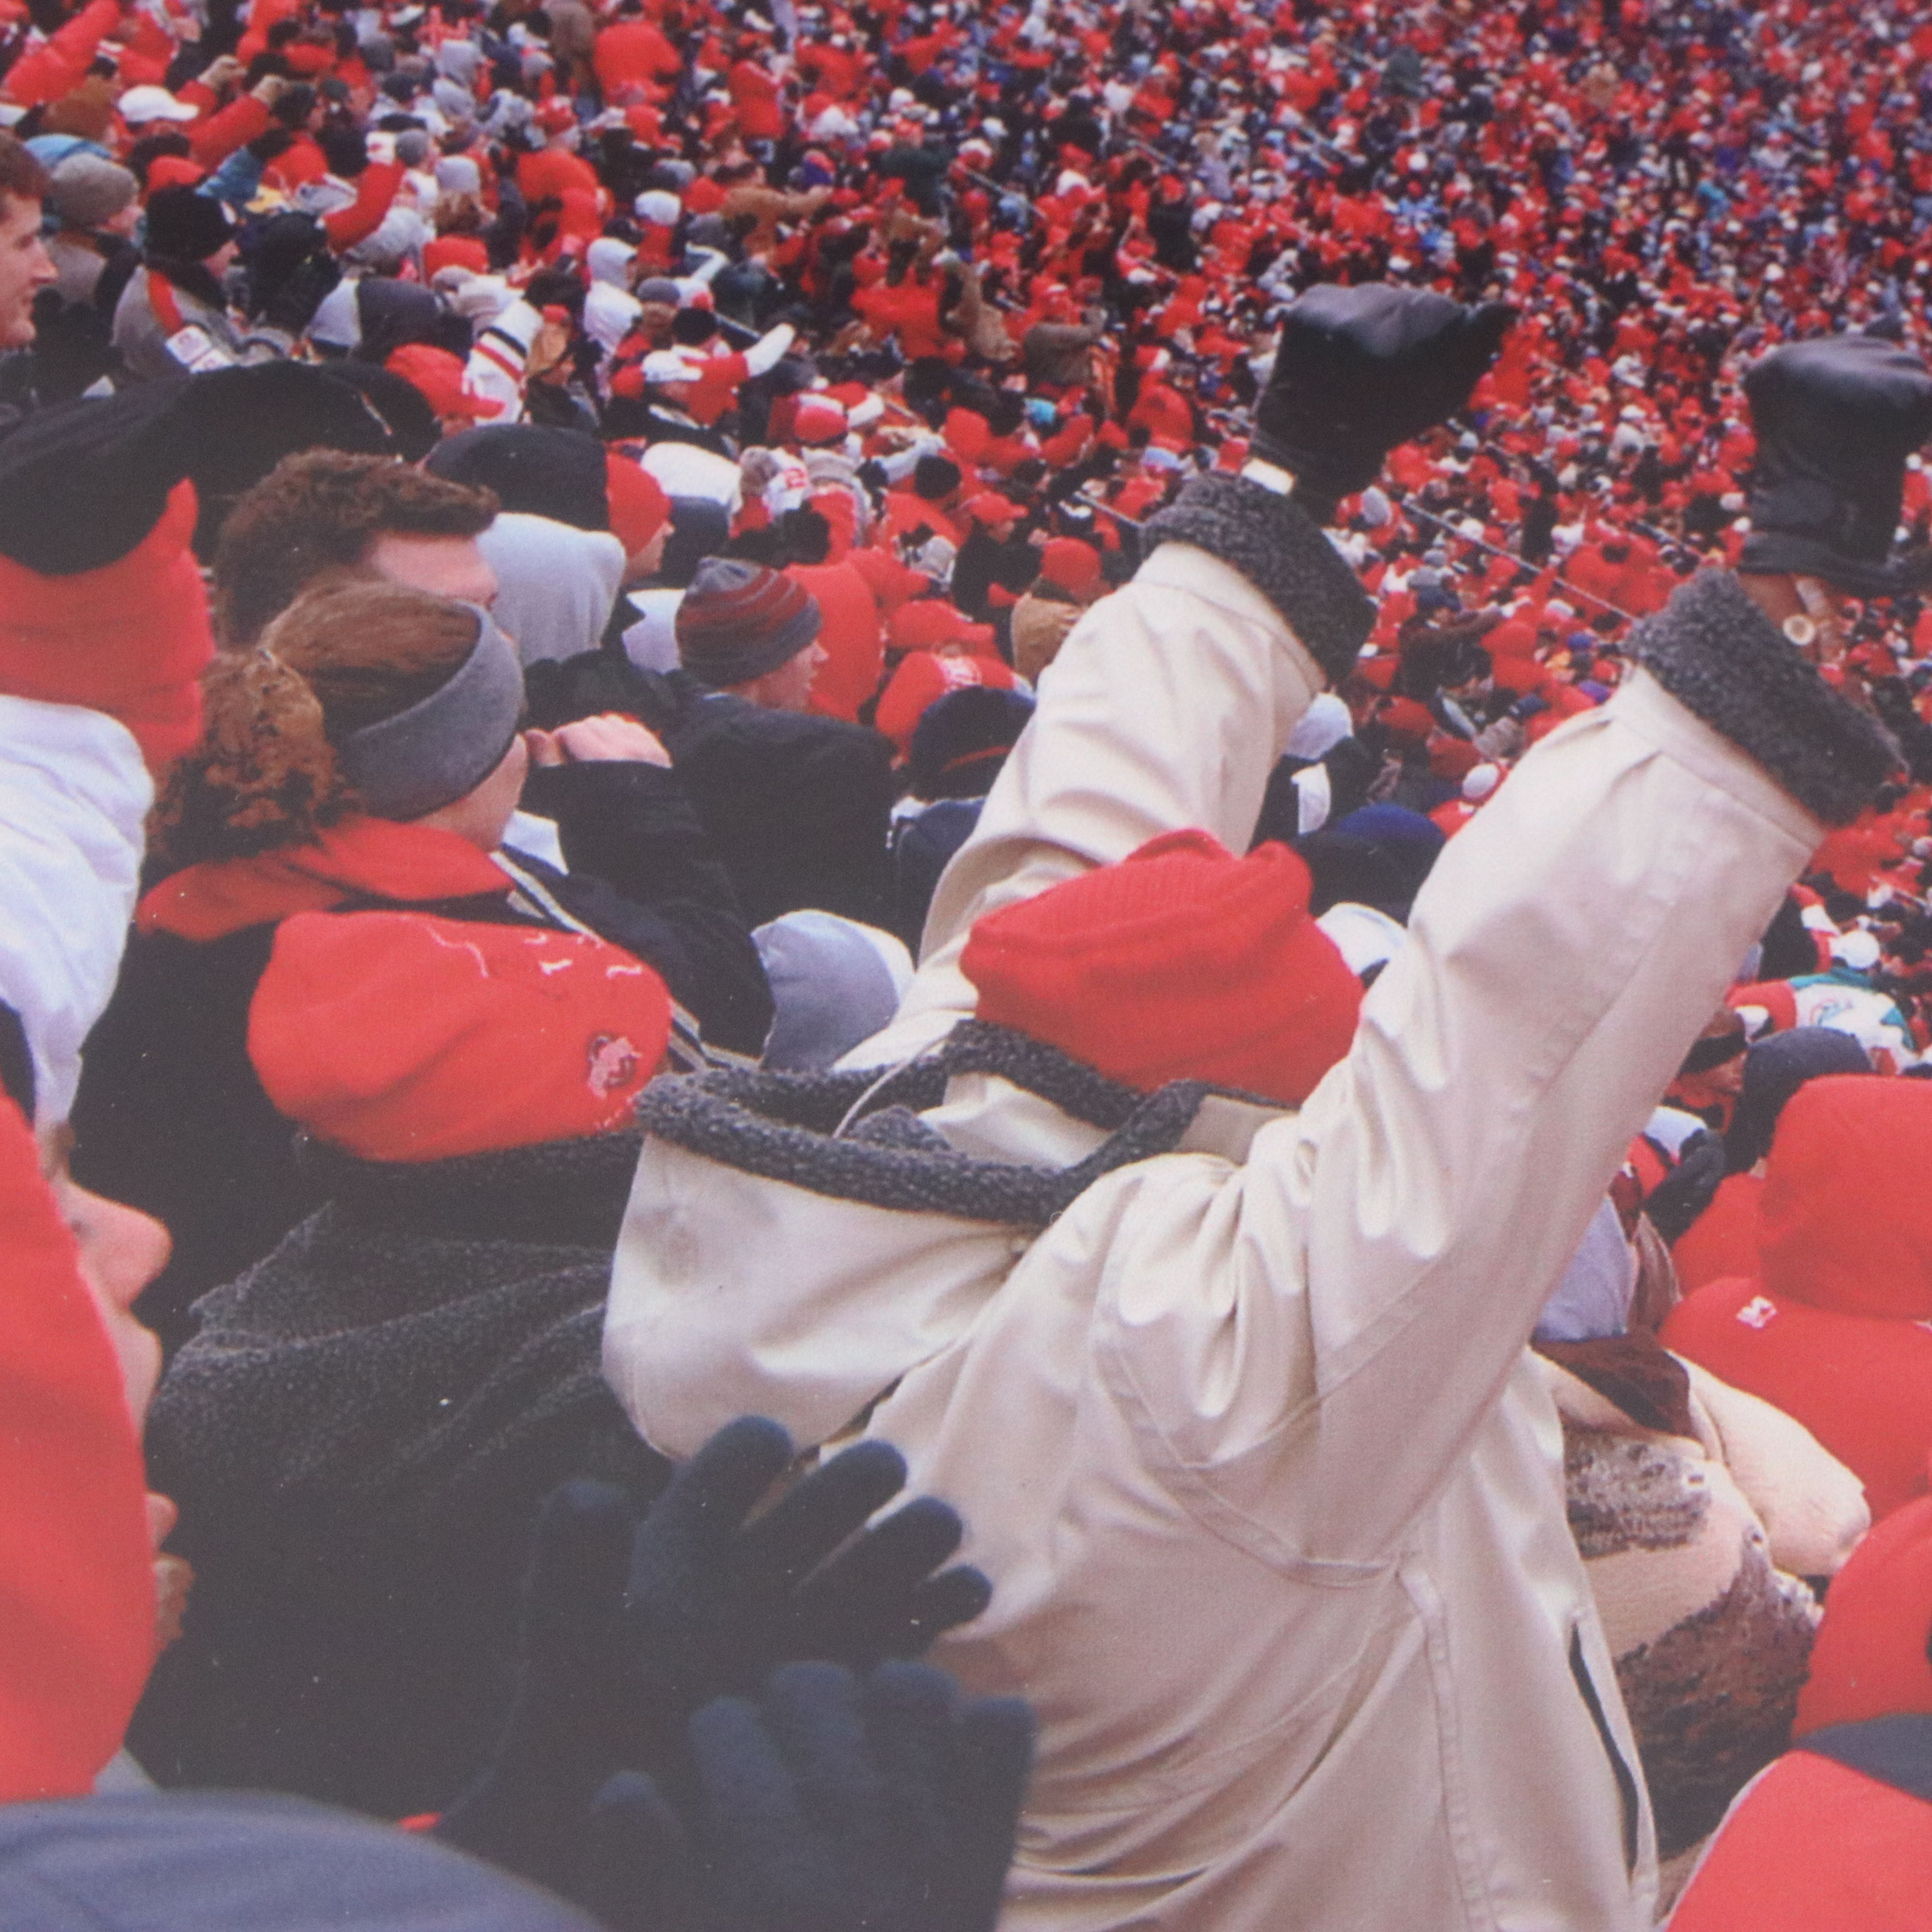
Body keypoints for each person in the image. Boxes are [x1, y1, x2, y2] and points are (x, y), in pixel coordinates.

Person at [604, 291, 1909, 1929]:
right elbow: (1513, 1023)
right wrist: (1787, 592)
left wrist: (1284, 488)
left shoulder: (904, 1133)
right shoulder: (1215, 1374)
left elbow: (1075, 847)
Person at [526, 557, 897, 929]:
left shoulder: (653, 729)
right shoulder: (818, 765)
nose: (822, 656)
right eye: (806, 644)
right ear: (767, 660)